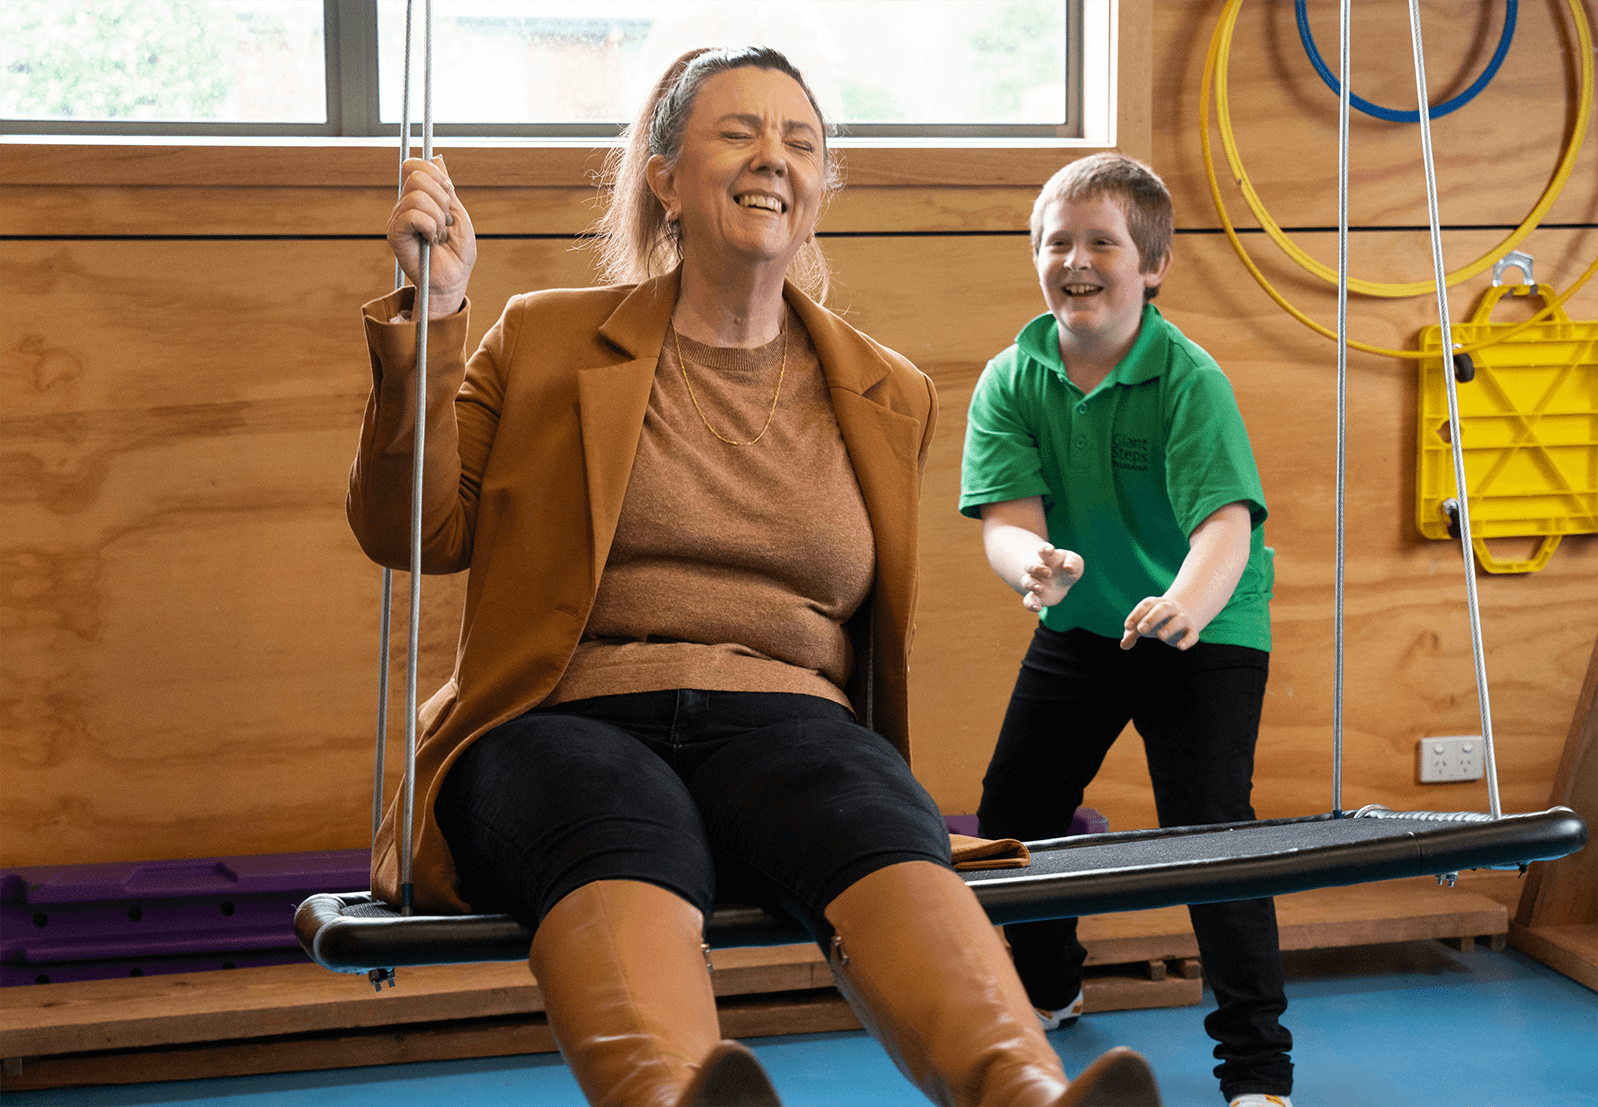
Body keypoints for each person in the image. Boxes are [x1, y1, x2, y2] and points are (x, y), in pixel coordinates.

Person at [349, 46, 1160, 1107]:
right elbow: (410, 530)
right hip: (562, 713)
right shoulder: (543, 340)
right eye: (737, 132)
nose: (771, 158)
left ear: (820, 188)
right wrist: (434, 317)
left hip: (785, 722)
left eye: (800, 140)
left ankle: (1024, 1095)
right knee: (611, 815)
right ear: (663, 174)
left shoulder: (885, 389)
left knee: (876, 806)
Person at [959, 152, 1295, 1107]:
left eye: (1101, 242)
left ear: (1151, 266)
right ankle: (1053, 977)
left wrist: (1187, 603)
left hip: (1206, 628)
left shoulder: (1189, 380)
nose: (1077, 259)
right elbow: (1005, 519)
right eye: (1056, 242)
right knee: (1015, 809)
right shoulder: (1012, 376)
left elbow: (1226, 524)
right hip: (1084, 622)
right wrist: (1034, 564)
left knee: (1209, 830)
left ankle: (1257, 1069)